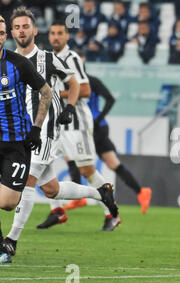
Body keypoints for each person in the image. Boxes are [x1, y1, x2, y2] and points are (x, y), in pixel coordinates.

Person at [0, 8, 119, 261]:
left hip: (44, 129)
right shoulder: (7, 62)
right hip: (20, 132)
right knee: (51, 190)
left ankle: (11, 241)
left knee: (28, 182)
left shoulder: (47, 58)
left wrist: (69, 108)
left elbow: (74, 82)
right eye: (17, 27)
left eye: (26, 26)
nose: (22, 31)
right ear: (12, 33)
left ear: (34, 30)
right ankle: (101, 192)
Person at [40, 20, 120, 231]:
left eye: (60, 33)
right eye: (53, 33)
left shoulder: (72, 58)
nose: (55, 37)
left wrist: (56, 94)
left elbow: (85, 90)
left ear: (67, 36)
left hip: (77, 123)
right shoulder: (49, 58)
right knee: (41, 161)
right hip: (58, 124)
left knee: (87, 170)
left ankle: (112, 213)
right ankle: (57, 211)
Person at [62, 50, 152, 216]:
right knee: (112, 163)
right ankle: (141, 192)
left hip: (95, 127)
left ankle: (81, 199)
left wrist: (98, 118)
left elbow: (110, 98)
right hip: (91, 126)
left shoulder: (89, 82)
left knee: (75, 157)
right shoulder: (72, 82)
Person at [0, 14, 52, 263]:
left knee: (9, 203)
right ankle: (2, 245)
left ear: (5, 36)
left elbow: (46, 92)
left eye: (1, 33)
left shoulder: (18, 64)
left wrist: (36, 128)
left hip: (17, 142)